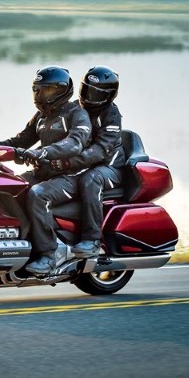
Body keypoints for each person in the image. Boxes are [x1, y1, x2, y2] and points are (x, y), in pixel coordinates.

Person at [0, 66, 92, 276]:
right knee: (11, 187)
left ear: (62, 90)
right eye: (37, 90)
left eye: (47, 90)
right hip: (44, 173)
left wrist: (43, 153)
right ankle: (19, 246)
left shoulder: (78, 114)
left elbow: (74, 144)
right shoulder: (40, 116)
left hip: (70, 176)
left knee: (38, 195)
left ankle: (49, 255)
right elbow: (19, 140)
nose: (40, 95)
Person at [54, 65, 125, 259]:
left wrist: (69, 162)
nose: (89, 96)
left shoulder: (111, 114)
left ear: (109, 95)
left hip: (110, 167)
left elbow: (100, 150)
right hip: (86, 164)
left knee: (90, 179)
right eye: (86, 89)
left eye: (95, 93)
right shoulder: (76, 108)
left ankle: (92, 239)